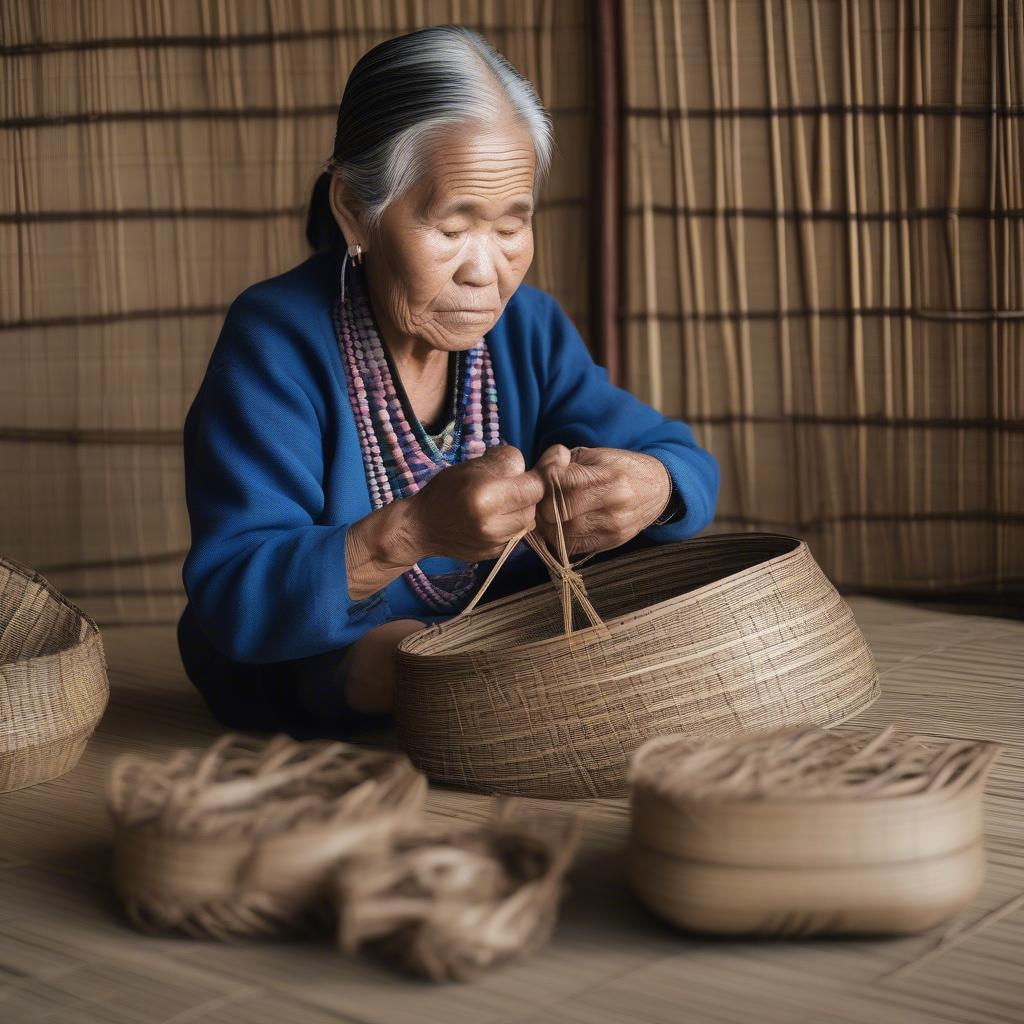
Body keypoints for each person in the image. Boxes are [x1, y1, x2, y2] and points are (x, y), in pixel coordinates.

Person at [176, 24, 720, 739]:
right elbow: (235, 594)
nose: (483, 269)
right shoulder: (277, 339)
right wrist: (415, 531)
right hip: (323, 675)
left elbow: (681, 461)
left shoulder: (528, 327)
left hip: (508, 644)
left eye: (510, 227)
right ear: (354, 209)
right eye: (451, 226)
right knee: (366, 657)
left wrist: (649, 486)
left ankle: (492, 690)